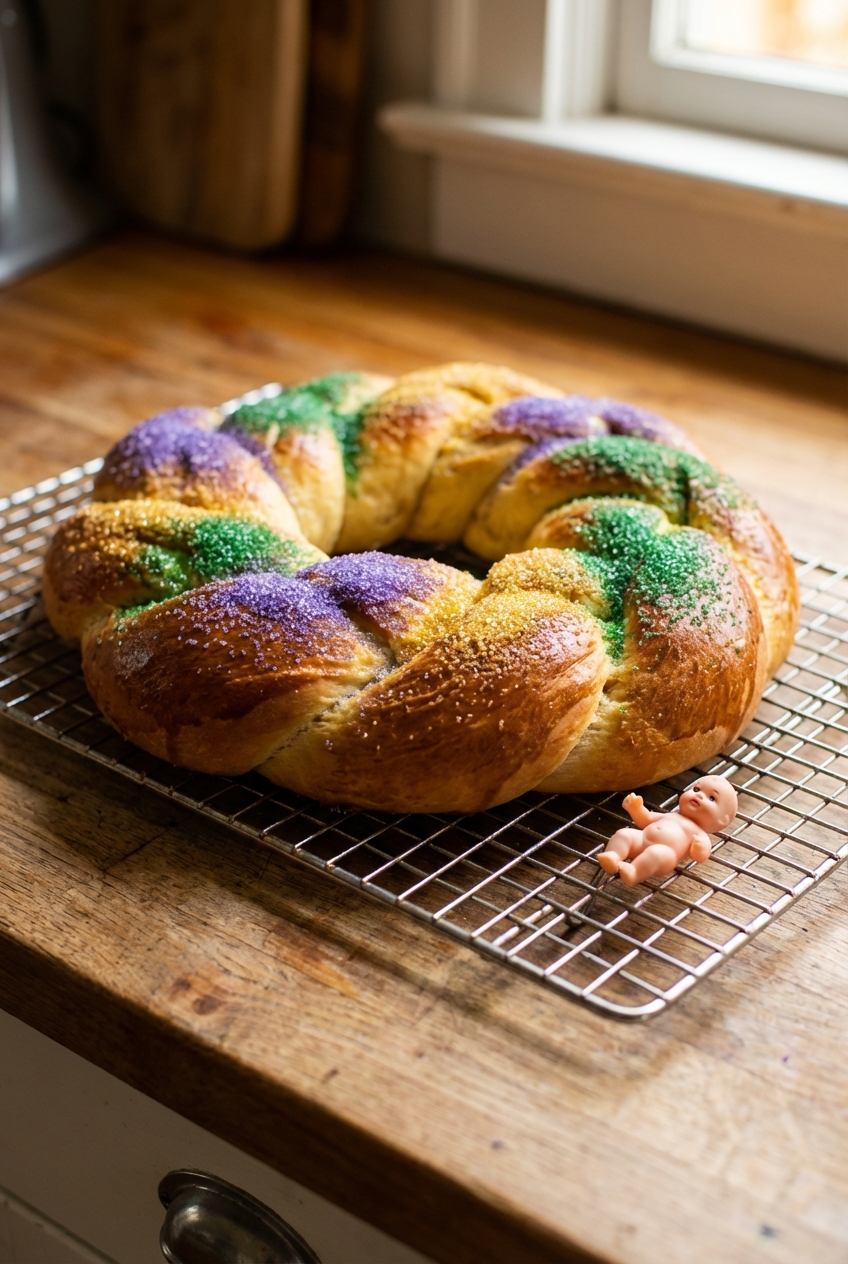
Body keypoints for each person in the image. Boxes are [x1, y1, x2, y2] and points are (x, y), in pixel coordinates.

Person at [598, 776, 738, 887]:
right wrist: (636, 808)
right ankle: (613, 856)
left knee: (655, 853)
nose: (700, 795)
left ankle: (634, 873)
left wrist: (700, 848)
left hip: (665, 855)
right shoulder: (670, 815)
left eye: (712, 798)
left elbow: (701, 856)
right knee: (624, 834)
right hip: (642, 839)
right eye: (696, 789)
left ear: (722, 821)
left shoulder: (699, 834)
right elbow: (646, 819)